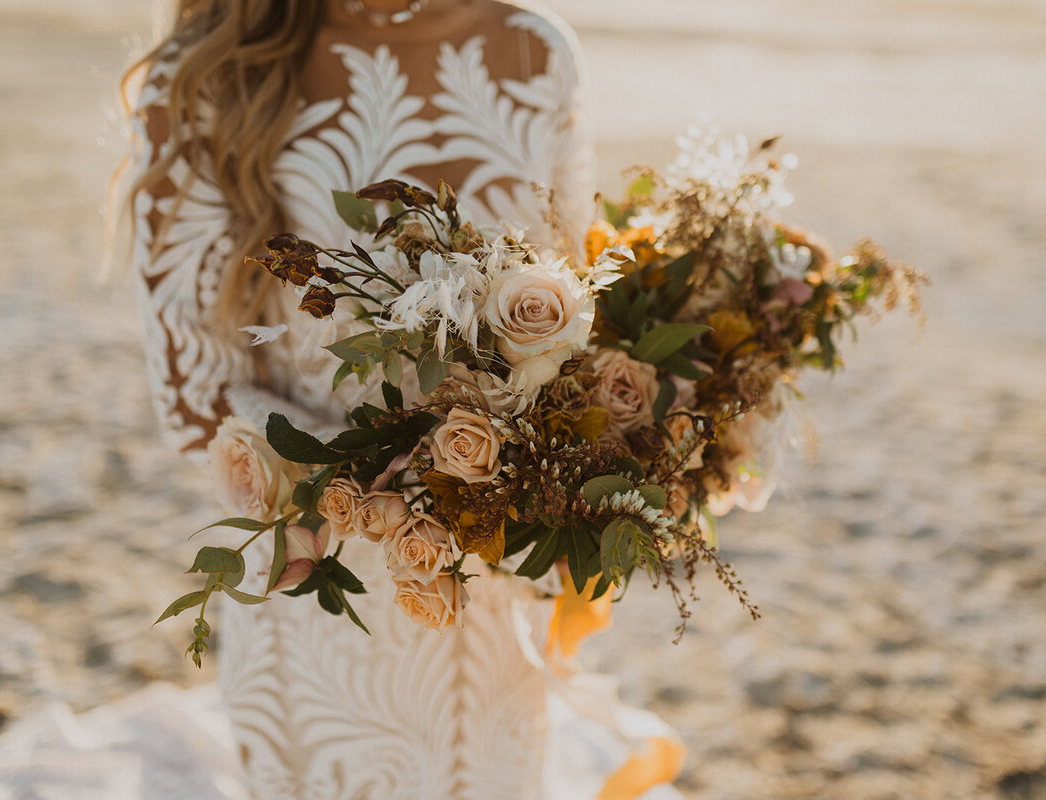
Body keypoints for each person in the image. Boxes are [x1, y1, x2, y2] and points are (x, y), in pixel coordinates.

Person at [120, 1, 683, 797]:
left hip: (494, 577)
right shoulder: (209, 72)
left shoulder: (536, 48)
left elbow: (571, 312)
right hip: (313, 581)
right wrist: (370, 489)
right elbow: (191, 393)